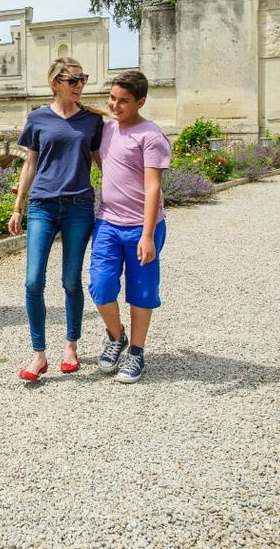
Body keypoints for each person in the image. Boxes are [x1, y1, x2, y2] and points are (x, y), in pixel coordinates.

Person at [8, 58, 104, 382]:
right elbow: (30, 164)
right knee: (33, 281)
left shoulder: (92, 120)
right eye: (74, 80)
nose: (80, 85)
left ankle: (71, 347)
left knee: (71, 281)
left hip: (79, 205)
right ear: (56, 83)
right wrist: (17, 206)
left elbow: (101, 161)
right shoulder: (37, 118)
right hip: (42, 206)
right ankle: (38, 355)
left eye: (83, 79)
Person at [89, 69, 171, 383]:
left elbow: (153, 188)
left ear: (140, 102)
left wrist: (148, 235)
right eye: (111, 98)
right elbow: (105, 163)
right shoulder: (107, 129)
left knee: (141, 291)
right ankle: (116, 335)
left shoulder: (150, 135)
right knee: (101, 286)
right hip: (108, 222)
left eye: (123, 101)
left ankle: (136, 353)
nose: (115, 105)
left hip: (142, 226)